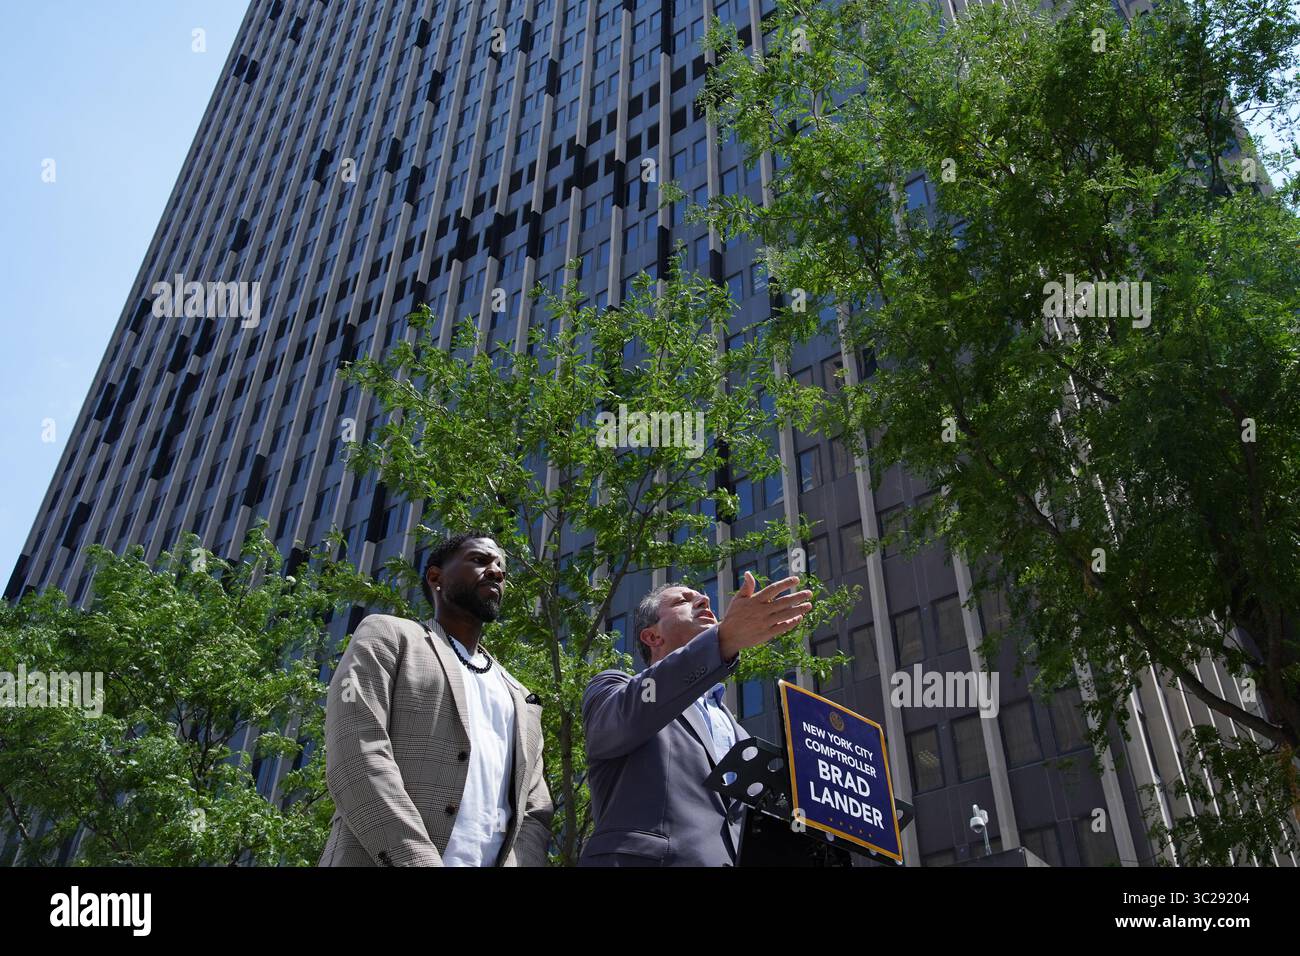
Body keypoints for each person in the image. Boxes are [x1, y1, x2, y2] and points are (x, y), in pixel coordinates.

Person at [320, 531, 552, 866]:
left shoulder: (520, 696)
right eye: (480, 560)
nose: (497, 571)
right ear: (435, 577)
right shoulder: (389, 637)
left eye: (501, 566)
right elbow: (355, 754)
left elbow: (534, 812)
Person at [580, 572, 813, 866]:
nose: (704, 600)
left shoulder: (739, 734)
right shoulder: (614, 689)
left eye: (700, 596)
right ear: (653, 636)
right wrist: (723, 639)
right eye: (683, 601)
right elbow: (629, 715)